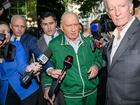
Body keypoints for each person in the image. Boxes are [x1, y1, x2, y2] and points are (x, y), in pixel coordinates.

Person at [42, 12, 103, 105]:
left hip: (92, 92)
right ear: (62, 27)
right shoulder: (54, 45)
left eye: (76, 24)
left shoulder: (89, 40)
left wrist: (96, 66)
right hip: (71, 96)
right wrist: (47, 87)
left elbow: (98, 57)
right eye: (69, 25)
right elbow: (47, 66)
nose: (74, 29)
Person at [103, 0, 140, 104]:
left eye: (122, 6)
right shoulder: (114, 36)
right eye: (112, 8)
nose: (117, 12)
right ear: (108, 13)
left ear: (130, 7)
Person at [0, 20, 42, 105]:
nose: (7, 34)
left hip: (27, 91)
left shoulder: (16, 45)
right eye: (3, 32)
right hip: (5, 93)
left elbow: (22, 65)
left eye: (8, 32)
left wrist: (28, 69)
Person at [38, 11, 65, 105]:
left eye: (51, 23)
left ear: (56, 23)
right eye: (45, 24)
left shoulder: (67, 35)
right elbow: (37, 65)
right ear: (41, 25)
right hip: (48, 84)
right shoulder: (37, 44)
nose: (49, 27)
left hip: (68, 82)